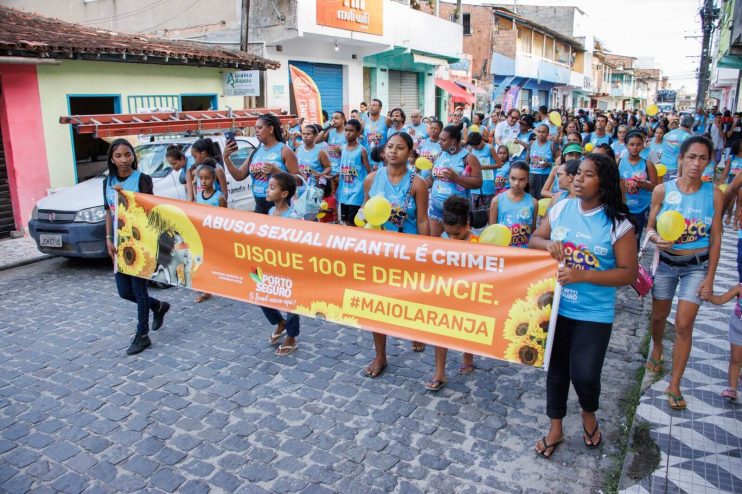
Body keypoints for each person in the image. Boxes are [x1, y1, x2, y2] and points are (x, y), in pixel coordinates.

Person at [530, 152, 637, 458]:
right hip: (558, 308)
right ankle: (556, 427)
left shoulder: (619, 224)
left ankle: (589, 414)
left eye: (588, 175)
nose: (578, 178)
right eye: (578, 173)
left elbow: (628, 273)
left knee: (585, 375)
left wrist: (583, 274)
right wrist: (548, 244)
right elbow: (535, 239)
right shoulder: (561, 207)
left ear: (604, 183)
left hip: (594, 312)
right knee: (557, 370)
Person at [646, 136, 723, 410]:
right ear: (681, 158)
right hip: (666, 265)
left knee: (683, 324)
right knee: (658, 317)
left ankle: (675, 383)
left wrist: (710, 277)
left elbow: (716, 238)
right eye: (691, 157)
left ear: (709, 162)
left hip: (696, 267)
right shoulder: (663, 191)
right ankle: (657, 347)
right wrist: (655, 239)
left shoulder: (714, 194)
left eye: (703, 158)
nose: (696, 163)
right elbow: (650, 227)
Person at [363, 132, 430, 376]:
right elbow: (364, 215)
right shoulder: (371, 179)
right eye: (390, 147)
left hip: (408, 251)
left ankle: (415, 330)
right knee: (376, 303)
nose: (393, 151)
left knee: (410, 297)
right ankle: (380, 355)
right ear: (383, 151)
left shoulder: (418, 184)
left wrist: (425, 252)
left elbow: (422, 220)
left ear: (410, 153)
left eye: (400, 148)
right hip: (379, 252)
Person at [103, 139, 170, 356]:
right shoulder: (108, 181)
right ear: (112, 159)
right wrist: (108, 238)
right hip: (119, 244)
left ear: (133, 156)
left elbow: (149, 211)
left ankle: (142, 335)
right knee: (124, 292)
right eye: (118, 156)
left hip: (139, 241)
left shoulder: (142, 179)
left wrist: (125, 197)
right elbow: (109, 211)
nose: (123, 160)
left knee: (139, 289)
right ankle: (158, 306)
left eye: (127, 154)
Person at [427, 195, 477, 390]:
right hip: (446, 291)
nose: (453, 238)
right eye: (449, 233)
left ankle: (468, 355)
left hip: (468, 293)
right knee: (440, 329)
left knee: (468, 324)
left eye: (457, 233)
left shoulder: (477, 243)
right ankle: (440, 371)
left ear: (467, 224)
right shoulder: (443, 239)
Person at [223, 114, 299, 214]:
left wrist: (277, 172)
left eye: (260, 127)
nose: (256, 131)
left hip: (279, 207)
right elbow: (239, 175)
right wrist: (226, 158)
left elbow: (299, 180)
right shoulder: (255, 152)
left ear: (271, 129)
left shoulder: (285, 150)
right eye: (255, 128)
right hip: (259, 205)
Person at [263, 172, 303, 356]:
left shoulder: (293, 216)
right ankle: (280, 323)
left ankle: (292, 336)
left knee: (291, 300)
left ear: (284, 193)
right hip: (271, 262)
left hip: (288, 265)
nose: (267, 190)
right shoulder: (271, 212)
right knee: (261, 296)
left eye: (272, 188)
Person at [427, 125, 483, 237]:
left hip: (456, 211)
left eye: (443, 140)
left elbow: (478, 182)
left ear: (453, 141)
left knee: (455, 245)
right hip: (436, 208)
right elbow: (431, 179)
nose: (439, 142)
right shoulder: (439, 155)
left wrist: (456, 178)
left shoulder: (468, 158)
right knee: (435, 243)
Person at [700, 282, 742, 401]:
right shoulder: (739, 288)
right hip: (738, 328)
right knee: (735, 359)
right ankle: (732, 388)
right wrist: (709, 297)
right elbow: (721, 299)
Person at [619, 132, 658, 247]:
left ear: (642, 145)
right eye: (631, 144)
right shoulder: (619, 162)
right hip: (623, 207)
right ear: (626, 145)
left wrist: (644, 184)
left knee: (635, 238)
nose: (635, 148)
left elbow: (655, 187)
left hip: (641, 208)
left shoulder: (648, 164)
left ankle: (633, 260)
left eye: (638, 144)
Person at [490, 161, 537, 248]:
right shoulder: (497, 201)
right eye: (513, 178)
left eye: (522, 179)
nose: (517, 183)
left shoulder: (533, 202)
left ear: (527, 180)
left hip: (524, 254)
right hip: (503, 253)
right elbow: (492, 232)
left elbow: (532, 230)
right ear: (508, 177)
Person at [338, 119, 371, 225]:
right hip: (344, 192)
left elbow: (368, 172)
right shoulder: (342, 148)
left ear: (358, 133)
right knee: (345, 221)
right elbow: (343, 168)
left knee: (354, 222)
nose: (347, 133)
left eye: (351, 131)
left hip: (356, 193)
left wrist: (366, 195)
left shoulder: (362, 151)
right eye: (346, 130)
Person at [185, 138, 229, 203]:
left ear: (202, 154)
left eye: (195, 157)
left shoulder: (218, 169)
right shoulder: (198, 169)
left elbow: (224, 193)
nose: (194, 160)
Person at [467, 131, 497, 212]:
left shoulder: (489, 148)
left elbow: (499, 164)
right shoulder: (471, 149)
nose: (475, 148)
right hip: (475, 186)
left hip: (487, 184)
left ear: (481, 141)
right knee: (475, 212)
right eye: (473, 147)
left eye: (476, 146)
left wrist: (483, 167)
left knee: (488, 210)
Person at [527, 124, 557, 200]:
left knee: (543, 199)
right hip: (532, 175)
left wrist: (548, 164)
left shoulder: (552, 145)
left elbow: (557, 163)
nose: (541, 134)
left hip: (546, 176)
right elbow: (527, 160)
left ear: (548, 133)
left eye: (543, 132)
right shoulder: (531, 143)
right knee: (531, 198)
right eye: (539, 131)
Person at [659, 115, 693, 181]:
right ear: (691, 125)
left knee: (666, 188)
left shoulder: (668, 134)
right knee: (674, 190)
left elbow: (662, 151)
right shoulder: (687, 137)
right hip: (675, 168)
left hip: (662, 166)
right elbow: (685, 156)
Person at [316, 111, 347, 177]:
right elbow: (316, 141)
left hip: (341, 170)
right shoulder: (330, 132)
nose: (333, 120)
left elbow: (353, 151)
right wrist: (326, 128)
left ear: (343, 119)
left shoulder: (347, 133)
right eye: (332, 118)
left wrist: (342, 150)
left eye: (336, 118)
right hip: (329, 169)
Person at [362, 99, 392, 169]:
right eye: (370, 105)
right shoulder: (363, 121)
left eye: (374, 105)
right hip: (368, 157)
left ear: (380, 108)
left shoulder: (386, 120)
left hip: (381, 157)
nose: (371, 107)